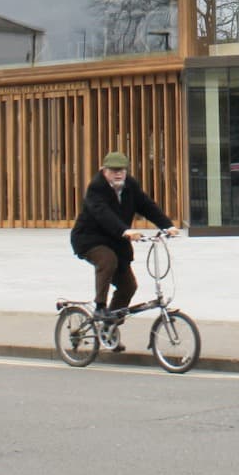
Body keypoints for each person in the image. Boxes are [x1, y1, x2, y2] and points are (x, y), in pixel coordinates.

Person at [69, 151, 175, 352]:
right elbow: (103, 214)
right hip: (89, 238)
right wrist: (124, 230)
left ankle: (108, 327)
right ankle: (100, 307)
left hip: (117, 241)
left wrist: (167, 225)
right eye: (114, 170)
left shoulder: (130, 185)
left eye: (122, 170)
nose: (118, 174)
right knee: (107, 260)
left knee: (128, 286)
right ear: (104, 171)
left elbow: (146, 205)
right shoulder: (96, 188)